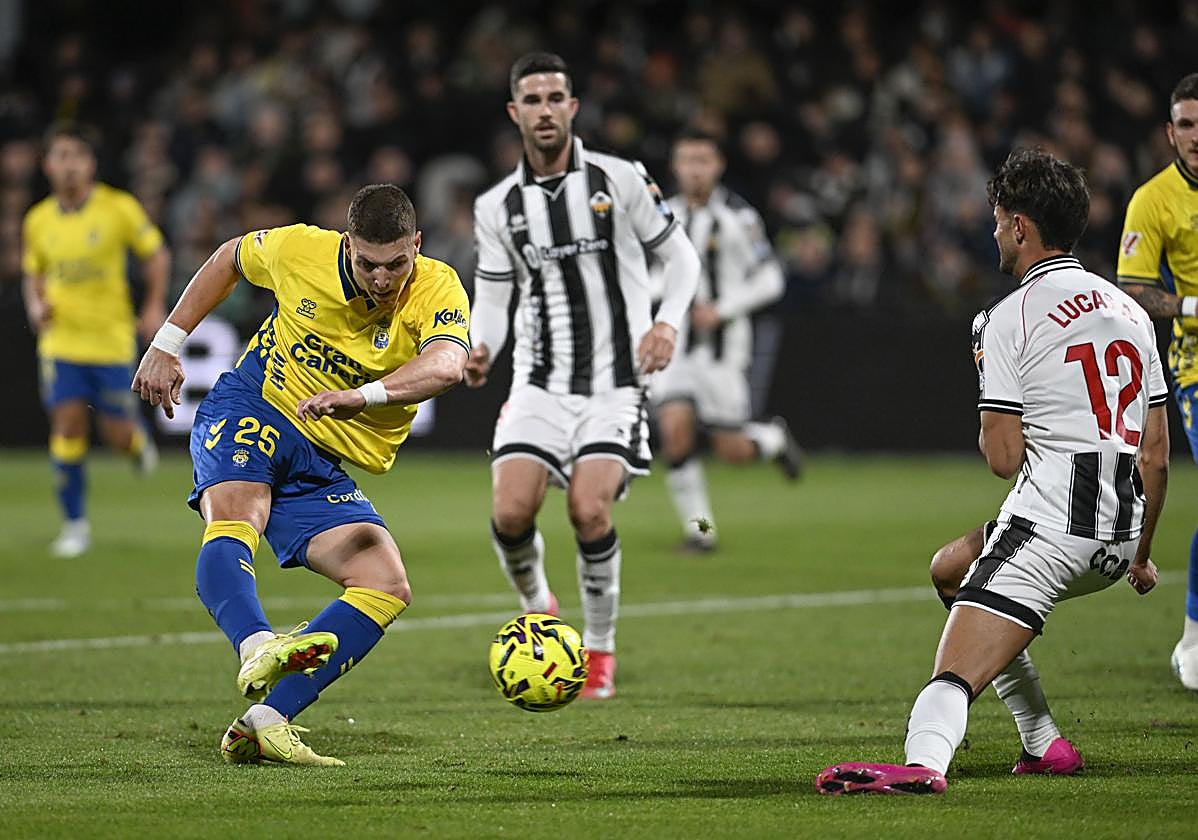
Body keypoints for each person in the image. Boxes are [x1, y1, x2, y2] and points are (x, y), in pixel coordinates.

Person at [817, 149, 1169, 796]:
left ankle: (924, 762)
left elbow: (1001, 459)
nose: (994, 231)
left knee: (952, 675)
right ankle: (1044, 743)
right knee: (952, 566)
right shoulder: (1131, 312)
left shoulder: (1009, 316)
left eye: (998, 218)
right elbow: (1156, 453)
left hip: (1057, 526)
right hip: (1119, 534)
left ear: (1019, 228)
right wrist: (1142, 556)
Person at [133, 184, 470, 766]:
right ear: (347, 244)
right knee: (239, 511)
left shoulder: (437, 284)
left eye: (397, 264)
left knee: (384, 581)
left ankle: (265, 721)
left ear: (417, 244)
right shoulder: (299, 251)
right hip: (255, 404)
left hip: (320, 455)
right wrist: (167, 342)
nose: (383, 279)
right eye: (368, 264)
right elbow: (230, 258)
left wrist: (361, 396)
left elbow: (447, 364)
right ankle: (258, 644)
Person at [465, 52, 700, 700]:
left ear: (573, 107)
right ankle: (539, 603)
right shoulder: (497, 207)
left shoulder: (619, 180)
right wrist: (480, 347)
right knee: (511, 512)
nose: (545, 110)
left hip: (614, 384)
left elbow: (679, 258)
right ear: (516, 114)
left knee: (588, 509)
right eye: (532, 100)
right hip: (538, 384)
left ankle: (598, 652)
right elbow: (493, 294)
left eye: (556, 97)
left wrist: (667, 322)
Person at [21, 122, 170, 558]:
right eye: (61, 156)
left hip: (110, 339)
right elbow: (35, 273)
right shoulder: (38, 220)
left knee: (117, 432)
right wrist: (35, 305)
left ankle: (137, 446)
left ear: (91, 164)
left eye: (78, 156)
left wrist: (154, 304)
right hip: (61, 342)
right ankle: (74, 525)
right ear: (48, 165)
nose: (70, 166)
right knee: (68, 426)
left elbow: (156, 253)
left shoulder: (118, 208)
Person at [651, 129, 801, 553]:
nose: (694, 169)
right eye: (686, 160)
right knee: (675, 431)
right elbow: (649, 274)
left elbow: (771, 278)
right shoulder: (663, 217)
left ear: (718, 166)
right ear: (675, 166)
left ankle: (770, 439)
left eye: (703, 160)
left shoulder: (740, 218)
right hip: (677, 348)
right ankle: (701, 532)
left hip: (722, 353)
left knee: (731, 449)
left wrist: (722, 309)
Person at [1116, 72, 1198, 690]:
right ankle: (1194, 636)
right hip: (1194, 364)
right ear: (1170, 133)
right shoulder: (1154, 199)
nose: (1196, 137)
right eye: (1187, 125)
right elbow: (1133, 290)